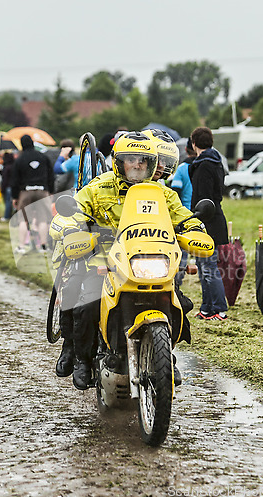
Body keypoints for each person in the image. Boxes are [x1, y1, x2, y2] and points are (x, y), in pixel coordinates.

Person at [49, 131, 204, 390]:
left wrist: (195, 229)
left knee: (178, 299)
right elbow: (69, 213)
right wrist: (68, 229)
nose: (137, 165)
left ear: (150, 163)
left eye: (142, 160)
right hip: (102, 258)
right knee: (88, 303)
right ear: (119, 162)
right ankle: (82, 359)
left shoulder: (161, 193)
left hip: (146, 257)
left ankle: (166, 355)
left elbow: (184, 217)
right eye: (131, 159)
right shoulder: (98, 187)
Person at [189, 127, 229, 320]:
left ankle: (220, 308)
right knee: (203, 265)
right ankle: (207, 308)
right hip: (209, 218)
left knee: (208, 266)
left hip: (207, 219)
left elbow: (204, 198)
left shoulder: (204, 165)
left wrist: (196, 219)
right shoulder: (215, 162)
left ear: (193, 143)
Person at [11, 134, 54, 253]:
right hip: (42, 190)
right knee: (43, 219)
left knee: (23, 220)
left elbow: (14, 180)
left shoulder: (19, 159)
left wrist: (15, 196)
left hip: (26, 191)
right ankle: (43, 246)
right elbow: (51, 176)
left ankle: (21, 247)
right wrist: (50, 190)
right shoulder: (43, 157)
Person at [172, 138, 196, 286]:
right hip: (199, 213)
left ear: (186, 150)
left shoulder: (182, 169)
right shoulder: (202, 167)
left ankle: (178, 279)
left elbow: (175, 190)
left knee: (181, 249)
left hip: (183, 214)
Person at [0, 151, 15, 221]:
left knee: (8, 202)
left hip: (8, 187)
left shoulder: (6, 167)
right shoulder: (14, 165)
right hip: (14, 186)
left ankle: (7, 216)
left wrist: (2, 188)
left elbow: (5, 179)